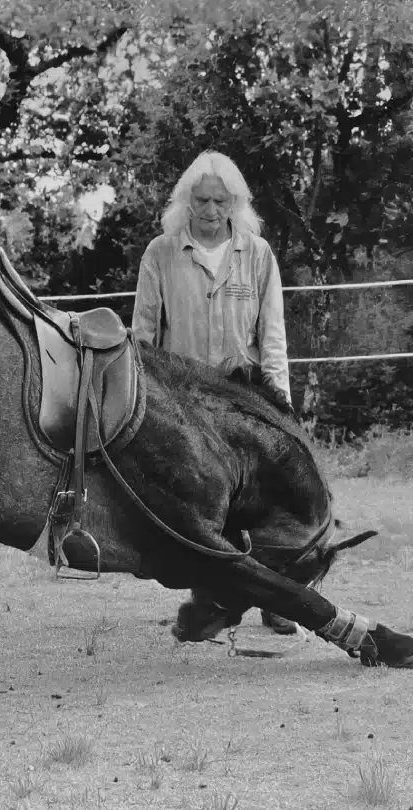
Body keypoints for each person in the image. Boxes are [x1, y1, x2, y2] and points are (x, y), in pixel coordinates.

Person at [131, 149, 300, 637]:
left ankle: (278, 600)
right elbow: (142, 335)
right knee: (201, 506)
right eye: (201, 201)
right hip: (182, 403)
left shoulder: (258, 253)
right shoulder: (160, 253)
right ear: (186, 202)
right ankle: (211, 599)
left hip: (243, 399)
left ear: (235, 205)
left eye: (220, 202)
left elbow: (272, 335)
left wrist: (281, 401)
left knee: (266, 503)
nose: (209, 211)